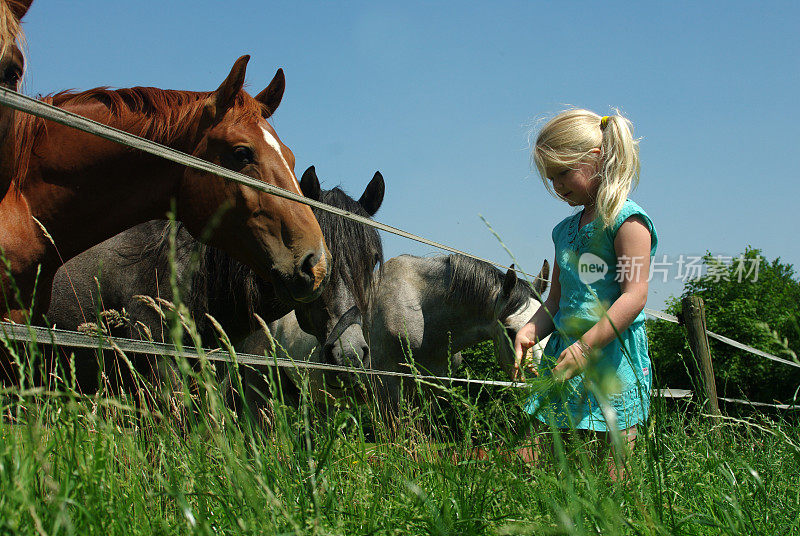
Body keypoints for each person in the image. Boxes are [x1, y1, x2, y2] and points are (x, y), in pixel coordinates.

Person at [513, 109, 657, 479]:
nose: (558, 186)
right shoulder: (563, 232)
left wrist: (586, 346)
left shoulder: (627, 221)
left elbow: (634, 296)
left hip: (612, 353)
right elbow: (556, 302)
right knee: (535, 444)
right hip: (565, 350)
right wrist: (530, 330)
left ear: (598, 157)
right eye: (551, 178)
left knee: (615, 451)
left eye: (563, 172)